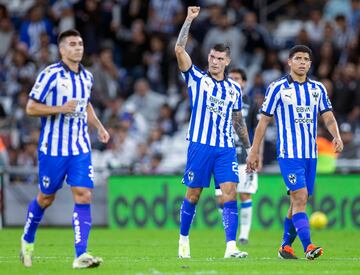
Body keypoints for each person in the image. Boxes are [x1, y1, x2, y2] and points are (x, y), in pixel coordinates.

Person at [20, 29, 110, 269]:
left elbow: (86, 104)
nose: (78, 47)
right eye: (72, 44)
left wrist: (99, 126)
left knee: (84, 194)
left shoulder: (87, 77)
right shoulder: (50, 75)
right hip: (53, 150)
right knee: (46, 197)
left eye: (80, 43)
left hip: (80, 147)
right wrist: (60, 108)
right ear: (62, 50)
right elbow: (30, 107)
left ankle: (81, 254)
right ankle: (27, 239)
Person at [247, 45, 343, 260]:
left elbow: (327, 116)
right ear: (289, 62)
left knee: (297, 201)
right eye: (297, 58)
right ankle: (308, 246)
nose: (302, 62)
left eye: (306, 59)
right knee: (299, 198)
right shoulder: (278, 88)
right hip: (289, 153)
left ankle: (285, 247)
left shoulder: (317, 89)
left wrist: (336, 135)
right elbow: (263, 121)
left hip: (311, 154)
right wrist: (254, 151)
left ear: (310, 64)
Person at [175, 6, 249, 259]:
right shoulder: (196, 78)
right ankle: (183, 240)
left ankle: (231, 247)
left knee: (230, 193)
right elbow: (179, 50)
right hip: (200, 145)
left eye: (220, 59)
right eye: (212, 57)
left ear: (227, 61)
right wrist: (188, 20)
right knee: (193, 194)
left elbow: (238, 121)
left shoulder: (234, 89)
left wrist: (249, 149)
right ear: (208, 58)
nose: (215, 62)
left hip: (225, 148)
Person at [215, 68, 262, 245]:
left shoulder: (250, 103)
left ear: (244, 83)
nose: (234, 81)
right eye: (231, 78)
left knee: (245, 195)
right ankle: (231, 231)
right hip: (224, 156)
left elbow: (258, 132)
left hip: (245, 157)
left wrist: (258, 154)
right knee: (221, 198)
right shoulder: (220, 100)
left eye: (237, 79)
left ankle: (243, 235)